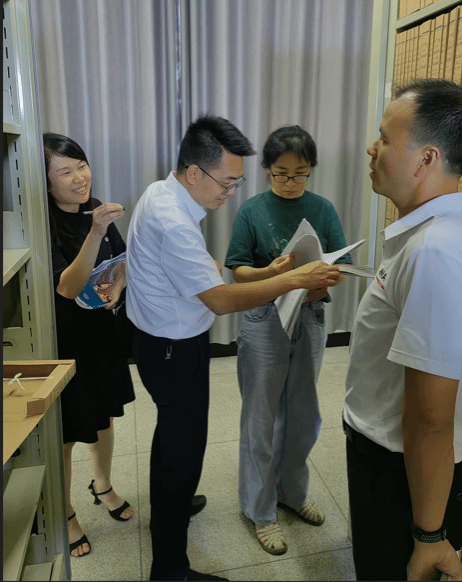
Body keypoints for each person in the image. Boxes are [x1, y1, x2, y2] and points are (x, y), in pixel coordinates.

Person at [126, 115, 342, 582]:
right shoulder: (174, 220)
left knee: (174, 442)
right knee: (184, 454)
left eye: (237, 182)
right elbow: (222, 299)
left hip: (163, 342)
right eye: (227, 182)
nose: (231, 192)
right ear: (194, 172)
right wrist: (294, 278)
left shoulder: (161, 193)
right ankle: (171, 571)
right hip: (172, 349)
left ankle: (174, 504)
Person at [342, 79, 462, 581]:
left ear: (427, 158)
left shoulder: (437, 252)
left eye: (385, 139)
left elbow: (431, 418)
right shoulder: (427, 239)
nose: (373, 148)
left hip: (405, 482)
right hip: (395, 467)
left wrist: (428, 535)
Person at [224, 125, 351, 555]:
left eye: (300, 174)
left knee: (303, 415)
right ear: (267, 169)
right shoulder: (252, 210)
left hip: (310, 318)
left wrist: (324, 280)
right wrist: (272, 274)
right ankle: (260, 511)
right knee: (260, 417)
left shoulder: (323, 208)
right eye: (281, 174)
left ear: (311, 169)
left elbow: (341, 265)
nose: (291, 182)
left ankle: (292, 493)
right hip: (264, 319)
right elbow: (238, 270)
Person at [44, 133, 135, 558]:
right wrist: (96, 230)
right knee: (66, 434)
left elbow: (120, 260)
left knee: (103, 418)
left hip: (101, 335)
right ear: (46, 183)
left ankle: (102, 485)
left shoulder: (95, 208)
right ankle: (64, 512)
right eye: (65, 171)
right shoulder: (44, 223)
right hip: (65, 343)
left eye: (81, 165)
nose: (80, 177)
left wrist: (117, 284)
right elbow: (67, 286)